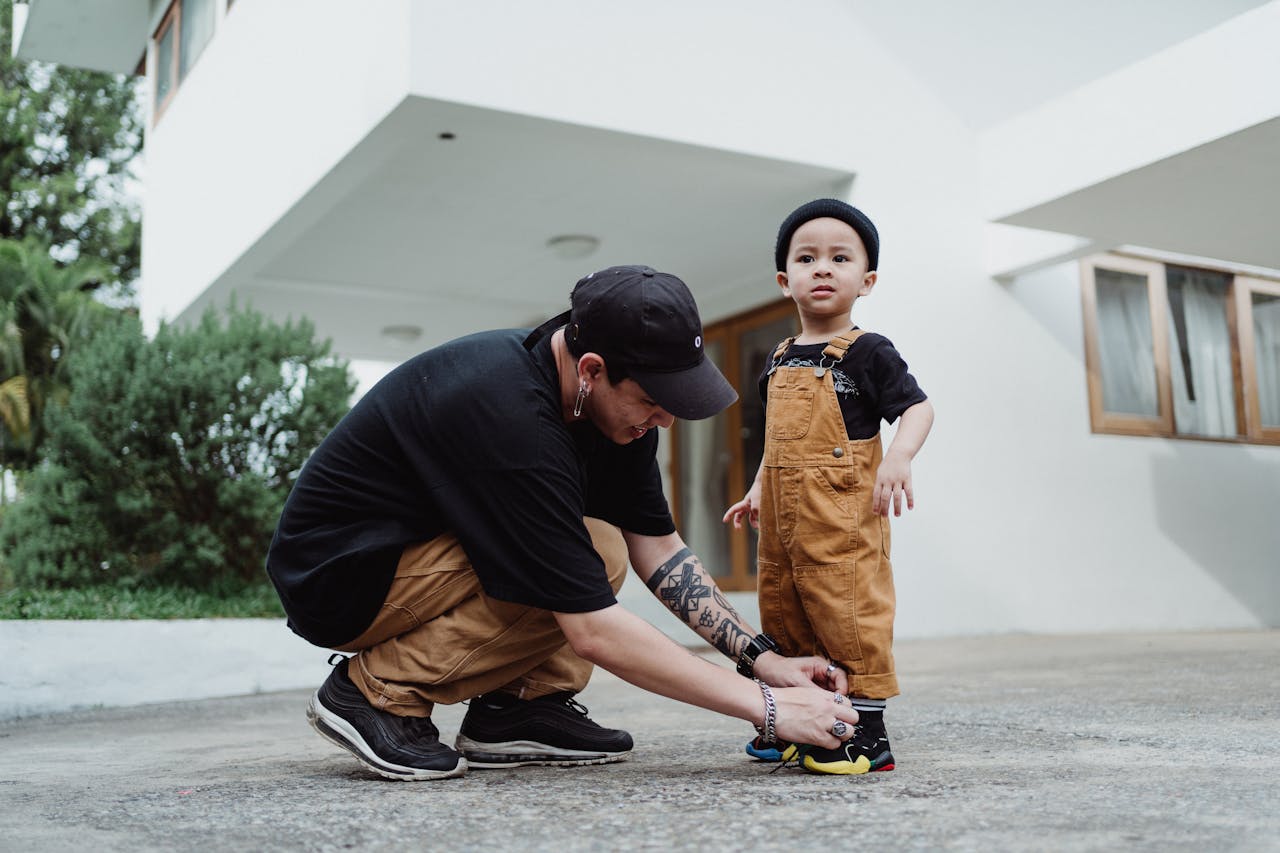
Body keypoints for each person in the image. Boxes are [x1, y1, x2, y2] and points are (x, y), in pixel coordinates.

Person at [266, 264, 861, 781]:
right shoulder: (510, 415)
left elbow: (659, 548)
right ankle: (374, 693)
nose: (666, 420)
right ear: (593, 369)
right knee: (591, 555)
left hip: (419, 554)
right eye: (656, 401)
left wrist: (763, 659)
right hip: (342, 577)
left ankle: (517, 709)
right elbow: (593, 631)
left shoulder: (609, 409)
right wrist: (770, 708)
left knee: (600, 543)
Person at [723, 199, 935, 775]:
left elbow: (917, 408)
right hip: (785, 524)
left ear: (865, 281)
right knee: (785, 613)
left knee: (849, 615)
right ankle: (799, 718)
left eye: (839, 258)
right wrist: (756, 488)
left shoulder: (869, 351)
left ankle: (866, 732)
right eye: (807, 257)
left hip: (842, 519)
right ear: (783, 280)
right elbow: (775, 440)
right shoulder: (777, 358)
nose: (822, 268)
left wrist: (899, 457)